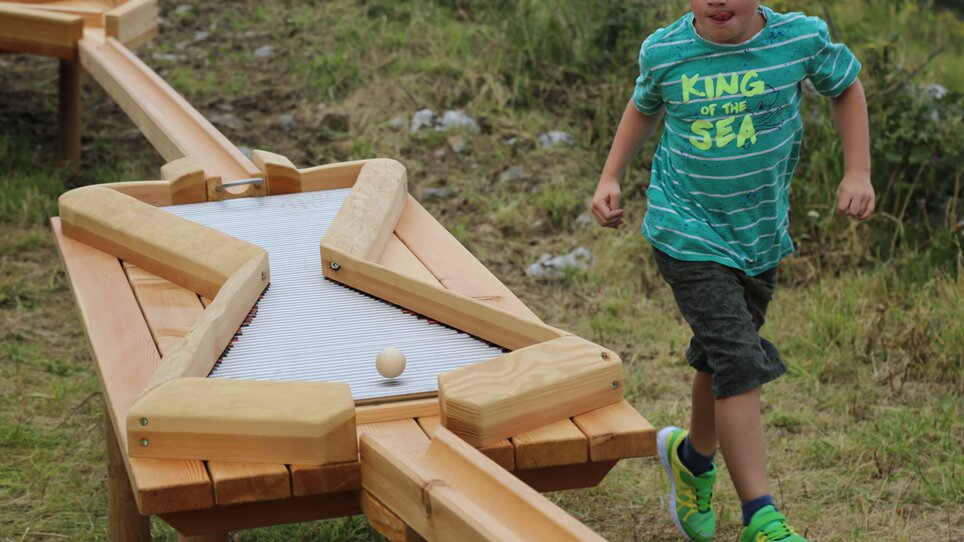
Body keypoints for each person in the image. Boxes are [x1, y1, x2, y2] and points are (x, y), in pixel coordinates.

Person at [590, 1, 874, 540]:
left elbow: (845, 86)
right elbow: (643, 104)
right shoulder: (667, 51)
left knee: (720, 354)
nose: (718, 2)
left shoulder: (799, 39)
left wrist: (857, 170)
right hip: (686, 229)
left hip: (758, 234)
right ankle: (760, 517)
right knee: (739, 358)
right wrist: (610, 177)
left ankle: (692, 458)